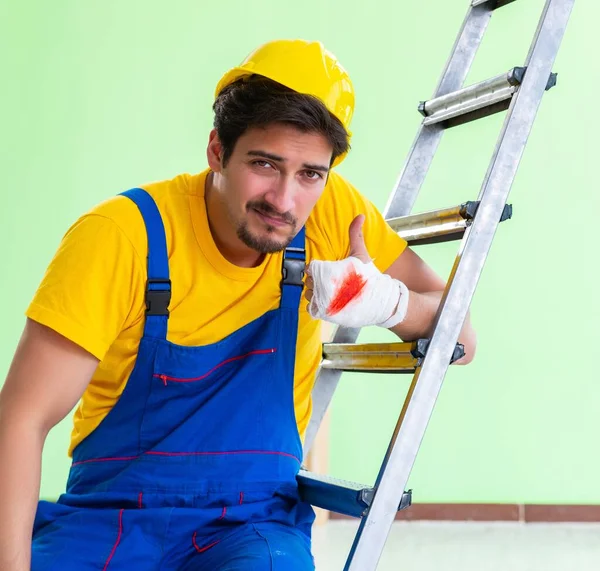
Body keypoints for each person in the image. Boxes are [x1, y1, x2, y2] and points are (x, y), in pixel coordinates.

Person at [0, 39, 476, 570]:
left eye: (310, 174)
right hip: (106, 521)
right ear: (216, 151)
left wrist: (385, 303)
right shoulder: (122, 236)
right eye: (265, 164)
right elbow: (21, 418)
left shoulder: (332, 214)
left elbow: (462, 338)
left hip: (252, 528)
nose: (285, 199)